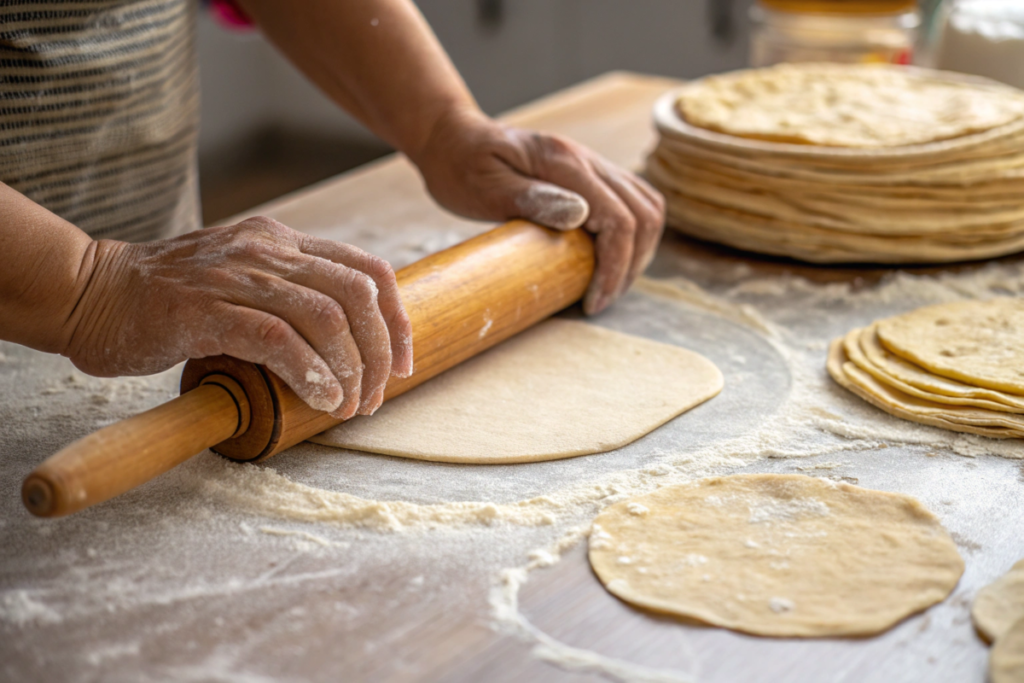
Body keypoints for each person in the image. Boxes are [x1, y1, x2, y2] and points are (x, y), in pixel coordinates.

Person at [0, 0, 665, 420]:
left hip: (170, 316)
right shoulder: (95, 287)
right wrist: (83, 285)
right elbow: (94, 289)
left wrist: (442, 126)